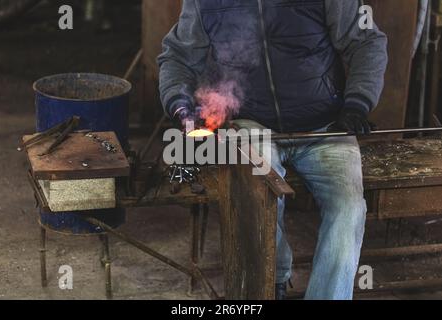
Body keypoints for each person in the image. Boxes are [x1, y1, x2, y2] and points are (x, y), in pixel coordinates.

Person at [158, 0, 388, 300]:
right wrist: (180, 104)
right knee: (258, 195)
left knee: (348, 207)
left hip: (325, 125)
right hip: (252, 121)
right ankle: (273, 281)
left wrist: (358, 102)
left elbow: (368, 41)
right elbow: (177, 56)